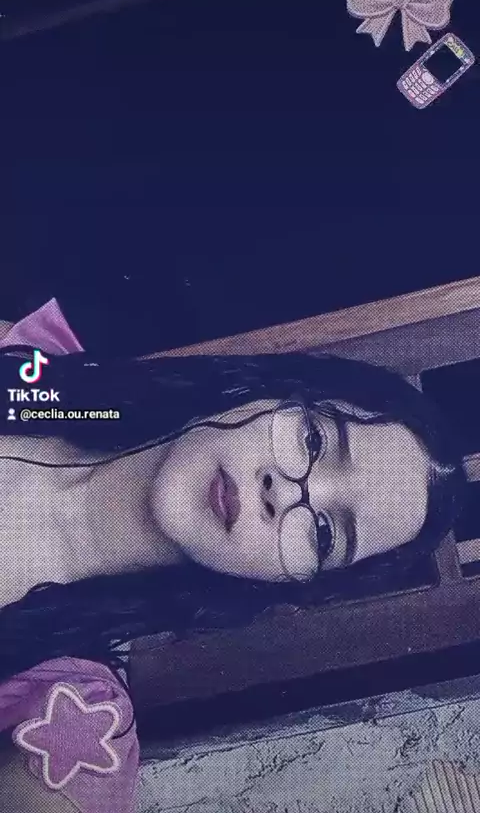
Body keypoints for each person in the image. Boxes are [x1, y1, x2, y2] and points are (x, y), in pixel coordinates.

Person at [0, 300, 466, 813]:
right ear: (271, 391)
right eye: (313, 440)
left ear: (287, 583)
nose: (283, 492)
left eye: (324, 532)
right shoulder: (36, 376)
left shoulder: (77, 716)